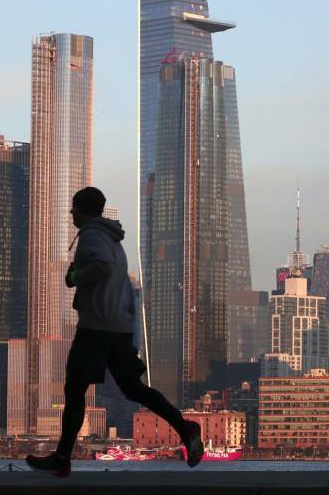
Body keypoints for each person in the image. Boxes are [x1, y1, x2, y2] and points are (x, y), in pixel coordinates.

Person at [26, 187, 204, 477]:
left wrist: (77, 276)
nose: (71, 214)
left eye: (73, 208)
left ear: (82, 209)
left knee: (75, 388)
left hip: (96, 327)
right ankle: (184, 427)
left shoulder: (92, 236)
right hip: (118, 327)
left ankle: (61, 458)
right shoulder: (112, 239)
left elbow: (102, 268)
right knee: (134, 388)